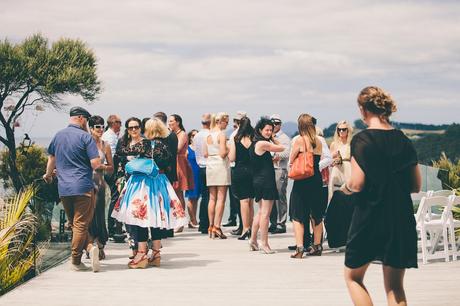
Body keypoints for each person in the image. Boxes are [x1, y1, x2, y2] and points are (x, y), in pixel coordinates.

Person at [341, 86, 421, 306]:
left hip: (370, 217)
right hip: (399, 218)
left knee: (353, 277)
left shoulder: (362, 141)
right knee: (395, 287)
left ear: (363, 110)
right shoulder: (403, 140)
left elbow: (357, 184)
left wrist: (345, 187)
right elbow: (416, 185)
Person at [112, 118, 188, 269]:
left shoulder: (146, 144)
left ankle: (141, 254)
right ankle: (156, 253)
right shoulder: (164, 146)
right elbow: (169, 165)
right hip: (160, 182)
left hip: (143, 184)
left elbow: (121, 151)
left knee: (141, 218)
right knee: (156, 218)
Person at [43, 106, 101, 272]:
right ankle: (76, 260)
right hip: (83, 186)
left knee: (74, 224)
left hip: (64, 188)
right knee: (81, 224)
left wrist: (48, 175)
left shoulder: (58, 135)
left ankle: (90, 248)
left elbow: (52, 159)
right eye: (87, 121)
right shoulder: (86, 137)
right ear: (81, 118)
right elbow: (95, 164)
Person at [288, 114, 323, 258]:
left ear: (300, 126)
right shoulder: (319, 141)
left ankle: (300, 248)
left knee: (298, 215)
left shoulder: (299, 141)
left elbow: (291, 159)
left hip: (302, 180)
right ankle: (317, 246)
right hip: (316, 179)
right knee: (316, 214)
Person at [248, 118, 285, 254]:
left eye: (271, 130)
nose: (270, 132)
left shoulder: (254, 143)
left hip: (258, 180)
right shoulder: (262, 143)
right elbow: (281, 148)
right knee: (266, 214)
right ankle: (264, 243)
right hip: (266, 181)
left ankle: (252, 240)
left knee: (260, 212)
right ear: (260, 130)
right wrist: (274, 138)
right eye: (267, 130)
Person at [88, 116, 114, 260]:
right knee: (88, 215)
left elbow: (111, 168)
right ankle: (90, 245)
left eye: (102, 126)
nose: (101, 129)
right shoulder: (85, 143)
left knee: (99, 214)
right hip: (85, 182)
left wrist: (101, 167)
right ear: (91, 128)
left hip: (99, 181)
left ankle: (101, 243)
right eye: (97, 126)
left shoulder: (106, 145)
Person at [205, 112, 231, 239]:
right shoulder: (221, 134)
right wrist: (229, 148)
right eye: (226, 122)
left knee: (212, 198)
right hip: (220, 165)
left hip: (210, 164)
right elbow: (222, 153)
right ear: (220, 122)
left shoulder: (208, 134)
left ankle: (210, 226)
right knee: (221, 198)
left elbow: (205, 153)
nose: (227, 124)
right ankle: (217, 226)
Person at [228, 116, 254, 240]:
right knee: (251, 202)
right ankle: (252, 228)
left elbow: (232, 158)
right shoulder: (254, 138)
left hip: (240, 171)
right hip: (253, 171)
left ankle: (245, 229)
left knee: (243, 201)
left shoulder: (236, 138)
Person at [153, 111, 178, 239]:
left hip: (160, 172)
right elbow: (174, 158)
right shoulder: (172, 135)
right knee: (166, 201)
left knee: (162, 201)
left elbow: (173, 157)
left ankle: (163, 228)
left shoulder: (162, 136)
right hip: (168, 171)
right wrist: (174, 175)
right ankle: (168, 229)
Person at [168, 114, 194, 233]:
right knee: (173, 193)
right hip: (173, 162)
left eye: (172, 121)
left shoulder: (182, 134)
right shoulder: (173, 134)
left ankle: (181, 222)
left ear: (178, 122)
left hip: (179, 162)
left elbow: (177, 149)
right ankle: (176, 219)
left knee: (179, 193)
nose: (169, 123)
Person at [224, 111, 247, 234]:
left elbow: (231, 156)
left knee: (237, 198)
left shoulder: (234, 135)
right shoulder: (250, 135)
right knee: (248, 200)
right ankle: (246, 225)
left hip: (235, 167)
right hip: (249, 169)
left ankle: (242, 226)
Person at [269, 114, 290, 234]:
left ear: (280, 125)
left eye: (276, 123)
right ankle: (273, 222)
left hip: (280, 169)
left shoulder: (284, 138)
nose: (274, 126)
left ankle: (281, 223)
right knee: (271, 197)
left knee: (280, 197)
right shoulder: (268, 136)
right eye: (272, 123)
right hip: (270, 170)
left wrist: (275, 156)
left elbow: (287, 153)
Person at [102, 114, 122, 239]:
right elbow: (113, 156)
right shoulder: (110, 136)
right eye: (119, 122)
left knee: (115, 197)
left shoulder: (112, 135)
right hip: (111, 170)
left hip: (110, 170)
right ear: (113, 123)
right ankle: (112, 227)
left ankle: (113, 227)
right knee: (115, 197)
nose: (120, 124)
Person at [195, 113, 211, 234]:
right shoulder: (209, 135)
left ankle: (202, 223)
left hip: (200, 167)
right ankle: (207, 223)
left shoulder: (197, 136)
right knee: (210, 197)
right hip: (209, 166)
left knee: (204, 196)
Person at [328, 120, 353, 201]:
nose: (341, 131)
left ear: (348, 130)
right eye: (339, 129)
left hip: (348, 169)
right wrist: (334, 160)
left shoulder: (351, 144)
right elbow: (329, 161)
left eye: (344, 129)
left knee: (348, 193)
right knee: (335, 192)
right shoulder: (334, 144)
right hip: (336, 170)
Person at [185, 129, 200, 228]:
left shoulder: (200, 148)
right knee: (191, 198)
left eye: (197, 135)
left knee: (197, 198)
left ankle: (194, 219)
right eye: (193, 135)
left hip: (199, 175)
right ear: (190, 137)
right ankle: (192, 220)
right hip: (191, 175)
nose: (195, 137)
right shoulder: (187, 149)